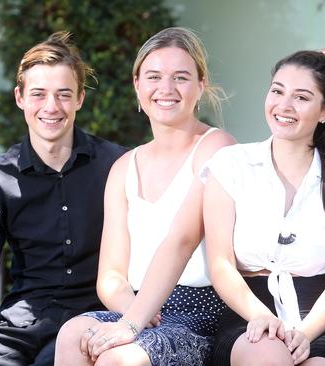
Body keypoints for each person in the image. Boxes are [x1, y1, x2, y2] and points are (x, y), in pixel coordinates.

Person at [0, 32, 126, 366]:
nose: (51, 107)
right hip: (20, 325)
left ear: (80, 98)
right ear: (20, 97)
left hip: (91, 322)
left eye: (63, 94)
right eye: (38, 94)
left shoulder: (116, 165)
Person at [54, 27, 235, 366]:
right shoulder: (124, 167)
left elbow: (182, 240)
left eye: (181, 77)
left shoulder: (216, 147)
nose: (165, 89)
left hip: (200, 315)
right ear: (137, 85)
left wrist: (133, 323)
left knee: (117, 359)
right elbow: (110, 275)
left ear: (201, 85)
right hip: (139, 310)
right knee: (72, 334)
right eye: (154, 76)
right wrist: (134, 312)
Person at [202, 49, 325, 366]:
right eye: (277, 91)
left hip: (320, 319)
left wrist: (304, 334)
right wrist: (262, 316)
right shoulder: (231, 165)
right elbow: (220, 264)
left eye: (301, 97)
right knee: (267, 355)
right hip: (249, 313)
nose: (283, 106)